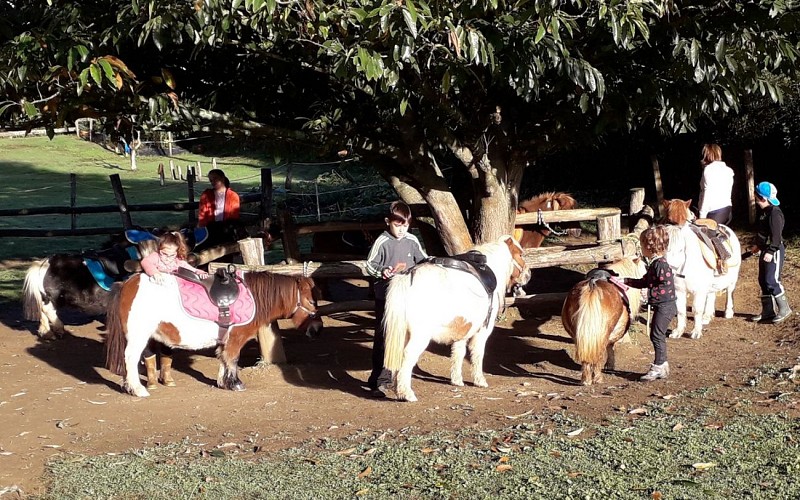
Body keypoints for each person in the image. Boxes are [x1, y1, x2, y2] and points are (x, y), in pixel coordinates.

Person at [364, 201, 428, 398]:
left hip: (407, 296)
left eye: (405, 225)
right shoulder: (382, 241)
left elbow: (423, 260)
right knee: (384, 336)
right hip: (386, 297)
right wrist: (383, 271)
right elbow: (370, 264)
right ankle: (379, 380)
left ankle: (399, 375)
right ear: (388, 222)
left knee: (405, 335)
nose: (401, 230)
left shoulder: (412, 240)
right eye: (397, 225)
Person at [624, 226, 677, 381]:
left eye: (641, 245)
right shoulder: (655, 263)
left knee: (657, 335)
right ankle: (662, 365)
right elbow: (645, 281)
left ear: (649, 246)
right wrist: (625, 280)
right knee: (656, 335)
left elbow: (665, 285)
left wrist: (649, 293)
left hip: (665, 306)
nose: (640, 249)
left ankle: (659, 366)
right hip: (663, 306)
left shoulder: (661, 265)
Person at [749, 181, 792, 323]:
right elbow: (763, 233)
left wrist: (771, 250)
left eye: (756, 195)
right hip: (765, 249)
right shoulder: (764, 212)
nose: (755, 198)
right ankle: (767, 311)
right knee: (763, 280)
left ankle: (784, 309)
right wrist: (758, 246)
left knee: (771, 280)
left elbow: (776, 235)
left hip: (774, 250)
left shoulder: (775, 213)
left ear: (762, 197)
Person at [140, 231, 209, 284]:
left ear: (176, 252)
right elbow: (145, 262)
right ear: (159, 249)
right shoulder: (156, 256)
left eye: (172, 255)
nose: (168, 258)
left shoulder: (177, 261)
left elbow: (191, 269)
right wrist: (155, 273)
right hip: (156, 283)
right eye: (164, 254)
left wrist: (199, 272)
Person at [697, 143, 734, 225]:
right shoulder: (728, 170)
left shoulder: (709, 170)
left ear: (707, 155)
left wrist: (702, 215)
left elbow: (707, 193)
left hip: (714, 211)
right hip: (727, 210)